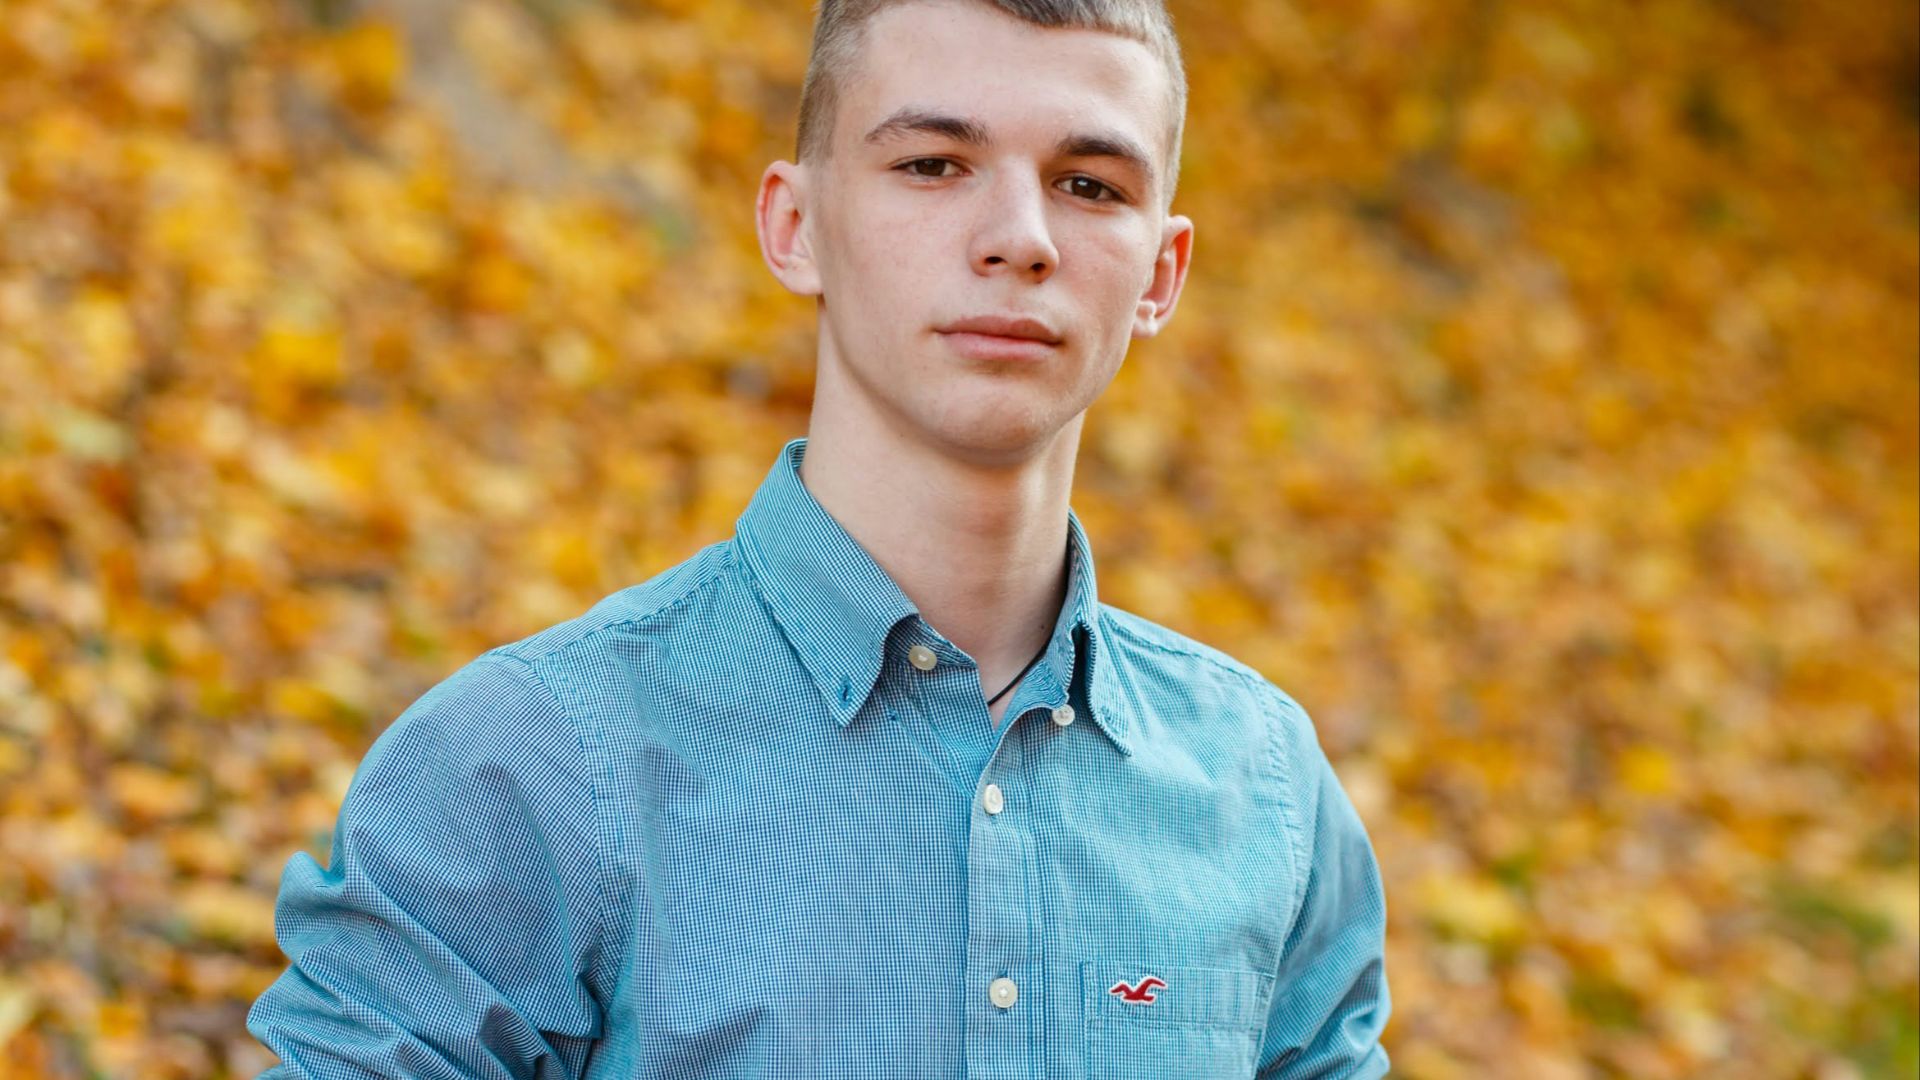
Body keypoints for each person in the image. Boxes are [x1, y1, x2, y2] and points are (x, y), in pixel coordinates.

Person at [244, 0, 1392, 1075]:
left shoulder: (1263, 793)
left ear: (1162, 274)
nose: (1020, 238)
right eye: (933, 165)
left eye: (1089, 185)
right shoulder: (524, 768)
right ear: (795, 228)